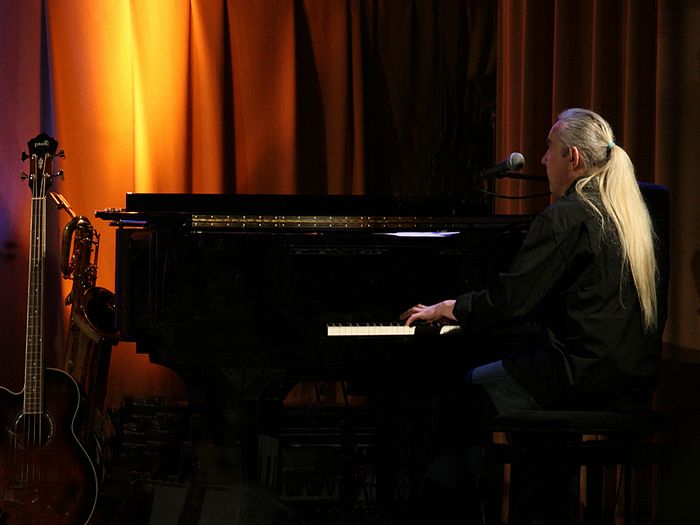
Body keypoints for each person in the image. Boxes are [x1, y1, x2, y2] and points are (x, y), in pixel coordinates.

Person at [400, 108, 662, 522]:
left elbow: (510, 302)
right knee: (524, 391)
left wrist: (451, 307)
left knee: (466, 390)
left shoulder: (567, 216)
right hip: (628, 382)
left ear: (573, 157)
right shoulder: (630, 218)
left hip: (577, 379)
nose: (542, 159)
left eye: (549, 149)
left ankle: (446, 516)